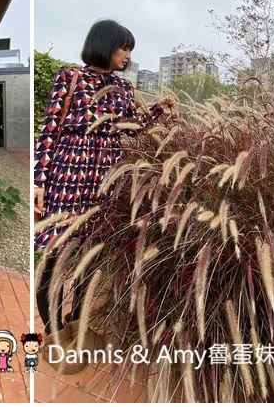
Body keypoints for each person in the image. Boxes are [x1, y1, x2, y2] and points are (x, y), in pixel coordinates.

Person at [33, 19, 176, 341]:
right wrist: (38, 181)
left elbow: (131, 126)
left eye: (130, 50)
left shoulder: (124, 88)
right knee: (57, 254)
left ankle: (77, 320)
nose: (127, 55)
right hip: (68, 174)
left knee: (91, 253)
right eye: (123, 47)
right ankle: (53, 331)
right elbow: (50, 129)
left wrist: (158, 110)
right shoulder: (69, 77)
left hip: (106, 176)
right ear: (105, 44)